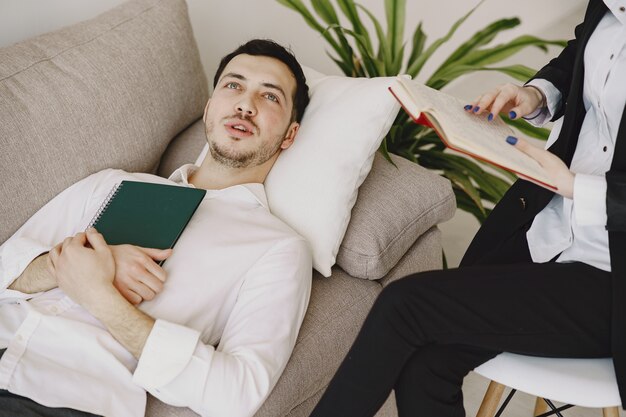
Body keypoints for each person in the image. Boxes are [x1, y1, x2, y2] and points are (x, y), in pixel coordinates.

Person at [309, 0, 626, 416]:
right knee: (426, 362)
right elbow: (586, 54)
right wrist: (536, 93)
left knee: (405, 306)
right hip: (550, 233)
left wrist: (575, 187)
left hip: (609, 277)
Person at [0, 39, 312, 417]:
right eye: (234, 85)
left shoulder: (276, 247)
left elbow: (237, 394)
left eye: (270, 97)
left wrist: (100, 295)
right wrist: (63, 264)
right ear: (209, 108)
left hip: (54, 397)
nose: (246, 104)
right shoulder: (112, 184)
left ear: (290, 135)